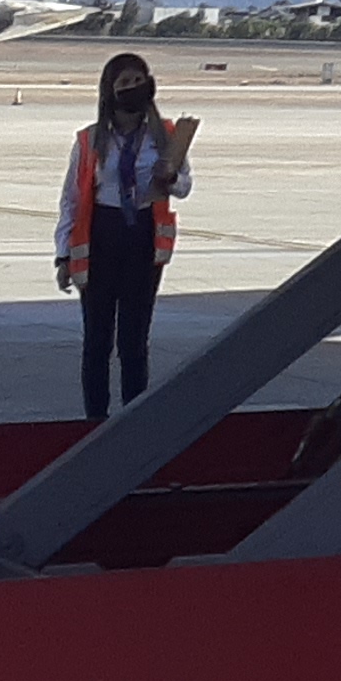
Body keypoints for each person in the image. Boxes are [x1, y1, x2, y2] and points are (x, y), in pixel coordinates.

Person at [56, 51, 199, 421]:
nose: (134, 89)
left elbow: (184, 186)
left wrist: (170, 179)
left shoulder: (166, 135)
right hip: (102, 238)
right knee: (97, 342)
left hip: (142, 240)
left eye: (139, 81)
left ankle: (134, 419)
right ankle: (94, 420)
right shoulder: (90, 140)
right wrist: (63, 255)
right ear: (110, 92)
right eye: (124, 84)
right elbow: (71, 200)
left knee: (134, 341)